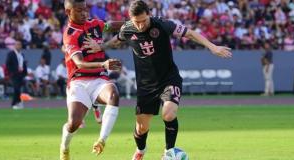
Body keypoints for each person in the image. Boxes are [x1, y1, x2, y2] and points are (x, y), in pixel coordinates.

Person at [83, 1, 232, 159]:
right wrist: (101, 47)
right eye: (136, 22)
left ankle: (168, 153)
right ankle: (141, 150)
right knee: (141, 128)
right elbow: (116, 41)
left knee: (168, 114)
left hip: (169, 78)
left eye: (143, 21)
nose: (140, 26)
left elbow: (189, 33)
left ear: (149, 14)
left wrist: (212, 46)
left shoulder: (162, 24)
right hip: (146, 85)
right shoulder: (127, 28)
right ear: (130, 19)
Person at [59, 0, 124, 160]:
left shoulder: (94, 24)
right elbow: (80, 63)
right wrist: (104, 63)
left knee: (114, 94)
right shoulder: (70, 34)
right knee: (73, 124)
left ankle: (101, 140)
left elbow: (110, 25)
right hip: (78, 81)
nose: (84, 13)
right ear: (69, 12)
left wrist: (133, 22)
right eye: (79, 10)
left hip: (99, 79)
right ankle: (64, 147)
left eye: (85, 10)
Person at [6, 40, 27, 109]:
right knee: (16, 89)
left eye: (20, 45)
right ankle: (14, 104)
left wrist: (25, 72)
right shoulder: (11, 54)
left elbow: (23, 64)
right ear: (15, 46)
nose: (19, 46)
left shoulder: (22, 54)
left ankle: (19, 102)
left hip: (21, 74)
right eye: (17, 44)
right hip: (14, 74)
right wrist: (11, 72)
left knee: (18, 89)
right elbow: (8, 64)